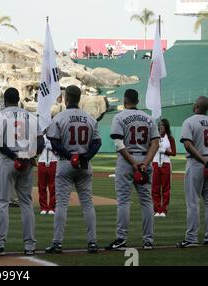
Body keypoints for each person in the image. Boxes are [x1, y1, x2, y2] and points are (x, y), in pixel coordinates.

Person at [0, 87, 44, 256]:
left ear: (5, 100)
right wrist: (28, 156)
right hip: (26, 161)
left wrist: (14, 157)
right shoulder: (31, 117)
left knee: (2, 203)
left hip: (8, 161)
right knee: (26, 202)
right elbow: (41, 142)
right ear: (18, 99)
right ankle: (30, 246)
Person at [45, 86, 102, 254]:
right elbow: (97, 142)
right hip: (84, 164)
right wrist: (86, 157)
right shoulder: (90, 118)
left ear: (65, 98)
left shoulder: (60, 117)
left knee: (61, 204)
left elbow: (54, 142)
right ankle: (92, 242)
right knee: (87, 203)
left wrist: (70, 156)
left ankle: (57, 243)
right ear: (79, 99)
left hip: (65, 163)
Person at [106, 89, 159, 251]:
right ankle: (148, 240)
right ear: (137, 100)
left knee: (123, 200)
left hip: (126, 160)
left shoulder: (120, 116)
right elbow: (155, 143)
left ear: (125, 100)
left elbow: (118, 143)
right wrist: (145, 162)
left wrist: (134, 163)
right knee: (147, 201)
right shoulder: (149, 118)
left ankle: (121, 239)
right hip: (145, 159)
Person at [176, 96, 208, 248]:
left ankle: (191, 238)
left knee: (193, 202)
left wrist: (202, 159)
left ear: (196, 106)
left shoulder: (189, 121)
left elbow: (188, 145)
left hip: (196, 163)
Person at [151, 118, 176, 217]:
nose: (161, 127)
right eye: (159, 125)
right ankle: (157, 209)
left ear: (166, 127)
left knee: (166, 188)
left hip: (166, 164)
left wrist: (165, 151)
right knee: (155, 188)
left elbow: (174, 153)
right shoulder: (154, 137)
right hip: (155, 163)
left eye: (163, 125)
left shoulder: (170, 138)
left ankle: (164, 210)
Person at [37, 134, 57, 215]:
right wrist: (42, 145)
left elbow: (60, 150)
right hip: (42, 161)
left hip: (53, 161)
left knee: (53, 186)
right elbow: (36, 150)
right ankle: (43, 207)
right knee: (42, 186)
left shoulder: (56, 136)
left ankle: (52, 207)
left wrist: (52, 147)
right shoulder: (40, 137)